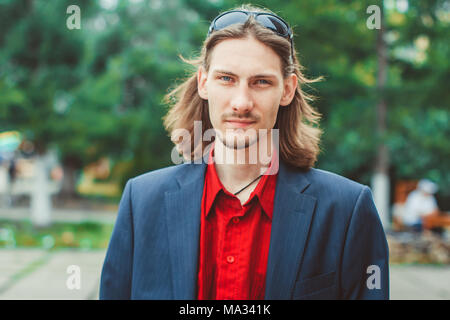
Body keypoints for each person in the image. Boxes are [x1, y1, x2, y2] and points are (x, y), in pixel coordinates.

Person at [100, 5, 389, 300]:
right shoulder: (141, 202)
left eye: (261, 82)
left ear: (287, 90)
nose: (241, 102)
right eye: (226, 78)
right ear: (204, 83)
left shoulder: (347, 211)